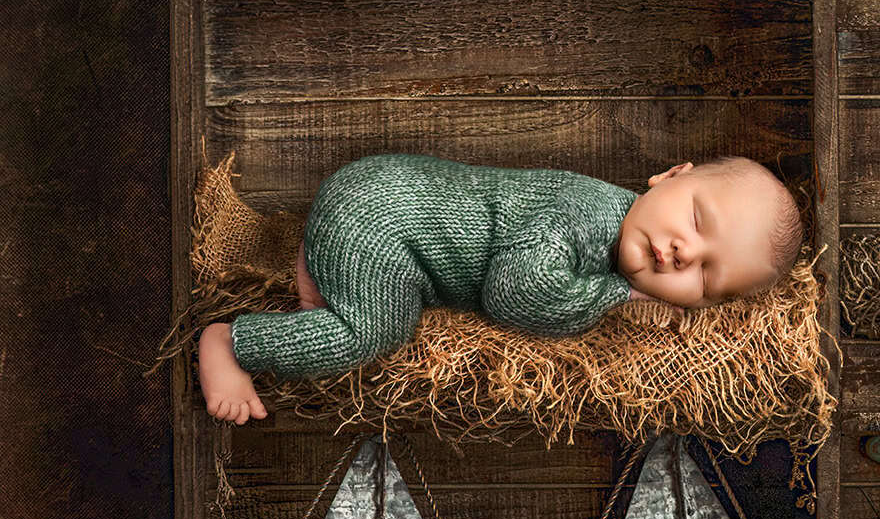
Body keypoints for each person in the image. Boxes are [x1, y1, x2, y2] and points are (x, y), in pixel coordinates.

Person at [197, 152, 804, 424]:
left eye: (704, 276)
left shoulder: (612, 231)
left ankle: (319, 271)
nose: (682, 253)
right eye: (697, 222)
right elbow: (515, 296)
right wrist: (614, 296)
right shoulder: (582, 215)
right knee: (374, 332)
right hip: (381, 216)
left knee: (385, 297)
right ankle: (233, 344)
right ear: (670, 176)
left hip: (376, 207)